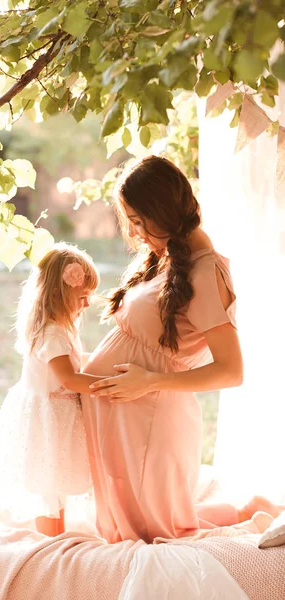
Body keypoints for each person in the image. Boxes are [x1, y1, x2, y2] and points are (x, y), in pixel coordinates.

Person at [81, 155, 282, 543]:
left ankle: (253, 512)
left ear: (163, 210)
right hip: (128, 422)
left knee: (163, 534)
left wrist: (149, 381)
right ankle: (249, 507)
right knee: (138, 533)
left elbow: (231, 371)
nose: (136, 233)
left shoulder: (205, 271)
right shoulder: (168, 257)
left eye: (139, 221)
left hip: (153, 423)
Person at [0, 243, 104, 536]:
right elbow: (69, 378)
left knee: (56, 482)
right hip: (47, 418)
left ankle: (56, 534)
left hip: (56, 415)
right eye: (83, 297)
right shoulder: (52, 334)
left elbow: (73, 364)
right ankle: (50, 540)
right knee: (47, 484)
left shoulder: (60, 329)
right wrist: (108, 386)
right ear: (57, 294)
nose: (87, 305)